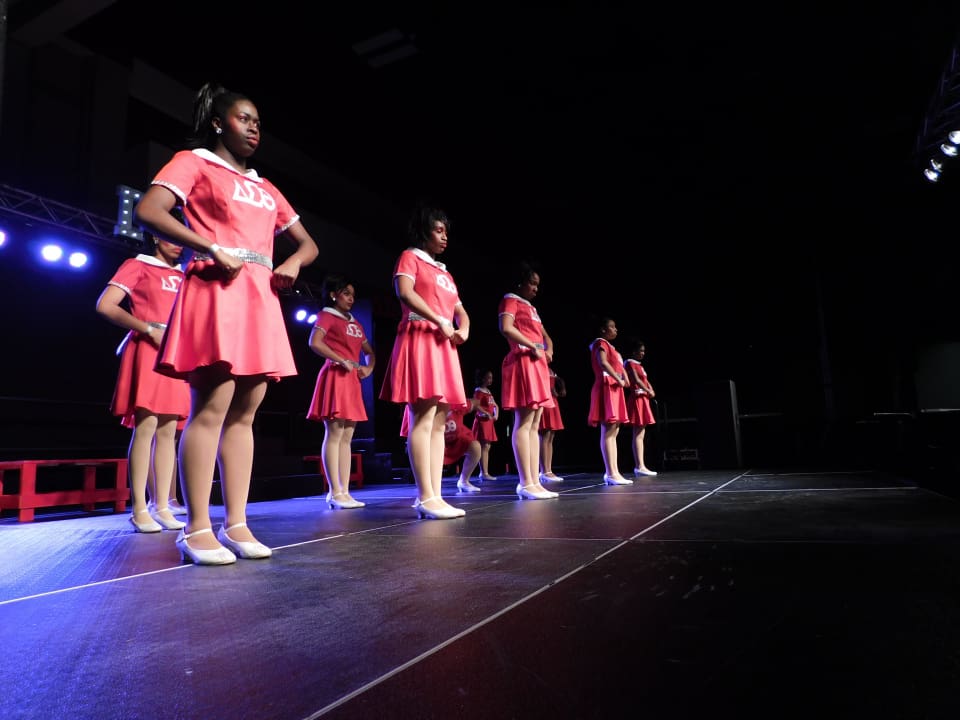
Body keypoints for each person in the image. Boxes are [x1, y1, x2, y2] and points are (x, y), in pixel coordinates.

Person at [133, 81, 320, 564]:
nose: (254, 127)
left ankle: (235, 523)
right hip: (216, 287)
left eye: (258, 121)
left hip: (259, 295)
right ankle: (195, 528)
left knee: (247, 412)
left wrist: (293, 264)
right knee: (212, 407)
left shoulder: (265, 186)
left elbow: (308, 243)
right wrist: (207, 246)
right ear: (218, 122)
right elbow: (149, 209)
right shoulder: (193, 161)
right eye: (244, 118)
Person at [379, 205, 470, 520]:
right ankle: (425, 496)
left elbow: (460, 310)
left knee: (439, 419)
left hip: (443, 342)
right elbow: (405, 293)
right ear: (423, 231)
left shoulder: (444, 271)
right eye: (438, 230)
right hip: (420, 335)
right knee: (423, 415)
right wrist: (438, 320)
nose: (445, 236)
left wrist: (464, 329)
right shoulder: (410, 257)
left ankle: (436, 495)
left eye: (446, 230)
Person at [96, 233, 192, 533]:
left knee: (168, 432)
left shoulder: (185, 274)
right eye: (170, 234)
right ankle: (138, 508)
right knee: (146, 426)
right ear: (153, 235)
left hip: (176, 352)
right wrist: (147, 329)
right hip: (149, 348)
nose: (179, 243)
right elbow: (106, 305)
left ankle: (161, 505)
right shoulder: (138, 265)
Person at [306, 273, 376, 509]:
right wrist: (340, 360)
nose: (351, 298)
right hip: (336, 376)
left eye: (353, 295)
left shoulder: (355, 323)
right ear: (334, 295)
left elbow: (369, 351)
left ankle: (345, 492)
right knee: (335, 435)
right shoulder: (327, 315)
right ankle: (334, 491)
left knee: (347, 438)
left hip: (352, 380)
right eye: (346, 293)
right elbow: (315, 342)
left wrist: (368, 367)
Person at [498, 262, 558, 500]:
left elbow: (545, 336)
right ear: (520, 282)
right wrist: (531, 345)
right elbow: (505, 327)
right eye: (532, 283)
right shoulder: (510, 299)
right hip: (522, 361)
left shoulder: (531, 308)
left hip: (538, 363)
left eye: (537, 285)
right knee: (524, 421)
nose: (535, 288)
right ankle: (525, 482)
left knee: (535, 423)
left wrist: (548, 348)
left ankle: (534, 480)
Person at [588, 317, 632, 485]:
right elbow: (604, 364)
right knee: (608, 431)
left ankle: (614, 471)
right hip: (607, 386)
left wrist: (625, 379)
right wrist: (618, 379)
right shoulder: (600, 343)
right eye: (612, 327)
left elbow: (619, 366)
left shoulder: (612, 347)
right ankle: (610, 472)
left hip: (615, 387)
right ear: (602, 330)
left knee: (614, 432)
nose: (616, 329)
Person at [625, 338, 658, 477]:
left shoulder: (640, 365)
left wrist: (651, 389)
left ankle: (641, 465)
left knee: (641, 433)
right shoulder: (629, 363)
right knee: (638, 433)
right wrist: (648, 390)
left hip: (643, 398)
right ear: (634, 351)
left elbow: (645, 379)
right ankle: (639, 466)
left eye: (644, 351)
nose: (643, 353)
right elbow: (636, 380)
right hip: (637, 398)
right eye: (641, 351)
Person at [471, 368, 499, 482]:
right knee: (483, 446)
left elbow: (495, 405)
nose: (491, 380)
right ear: (483, 378)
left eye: (491, 378)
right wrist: (486, 413)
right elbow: (476, 405)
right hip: (482, 421)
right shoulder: (479, 391)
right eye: (489, 377)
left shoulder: (488, 391)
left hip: (489, 421)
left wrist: (496, 414)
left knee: (487, 447)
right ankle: (483, 472)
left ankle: (485, 472)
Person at [538, 365, 566, 482]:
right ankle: (544, 471)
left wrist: (560, 388)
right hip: (545, 402)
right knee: (545, 436)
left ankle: (548, 470)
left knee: (550, 437)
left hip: (553, 402)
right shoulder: (539, 367)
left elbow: (557, 383)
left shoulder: (550, 369)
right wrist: (550, 389)